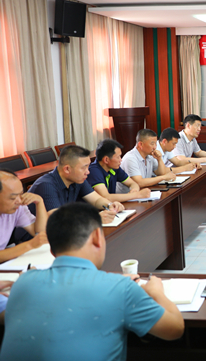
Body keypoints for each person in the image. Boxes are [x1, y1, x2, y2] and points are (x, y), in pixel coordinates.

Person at [0, 202, 184, 360]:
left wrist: (113, 282)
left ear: (51, 250)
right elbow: (175, 328)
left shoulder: (23, 283)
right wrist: (156, 292)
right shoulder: (121, 289)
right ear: (97, 237)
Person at [28, 145, 122, 223]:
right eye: (84, 168)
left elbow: (96, 200)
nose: (88, 172)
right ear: (67, 169)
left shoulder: (77, 179)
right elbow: (58, 219)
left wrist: (110, 205)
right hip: (34, 237)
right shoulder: (46, 185)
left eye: (88, 167)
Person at [0, 171, 48, 263]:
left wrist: (39, 202)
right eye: (13, 198)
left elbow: (41, 234)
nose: (19, 201)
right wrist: (30, 245)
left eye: (20, 194)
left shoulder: (17, 208)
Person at [87, 139, 151, 202]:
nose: (121, 160)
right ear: (106, 160)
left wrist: (134, 190)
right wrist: (137, 195)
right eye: (118, 157)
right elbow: (106, 197)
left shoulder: (114, 168)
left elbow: (132, 183)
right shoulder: (93, 171)